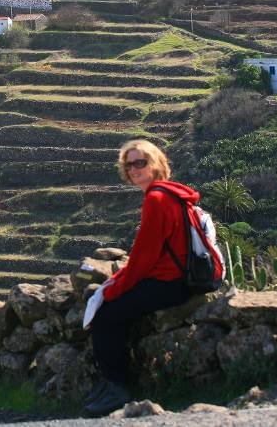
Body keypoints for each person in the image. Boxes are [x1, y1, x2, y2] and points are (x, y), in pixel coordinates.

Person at [82, 139, 199, 417]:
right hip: (179, 278)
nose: (134, 169)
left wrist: (110, 290)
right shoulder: (169, 193)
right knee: (115, 307)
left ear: (156, 163)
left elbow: (144, 259)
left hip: (170, 283)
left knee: (107, 314)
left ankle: (116, 387)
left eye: (140, 162)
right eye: (128, 164)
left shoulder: (156, 199)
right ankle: (109, 382)